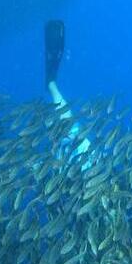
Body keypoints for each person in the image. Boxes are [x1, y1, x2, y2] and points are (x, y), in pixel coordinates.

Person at [44, 20, 91, 164]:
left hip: (72, 139)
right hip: (72, 137)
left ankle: (55, 47)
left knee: (51, 84)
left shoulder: (68, 143)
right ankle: (55, 46)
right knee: (51, 85)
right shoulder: (70, 140)